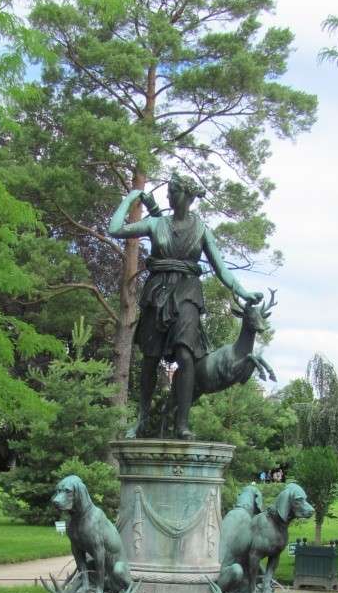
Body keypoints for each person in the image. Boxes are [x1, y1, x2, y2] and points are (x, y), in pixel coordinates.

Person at [109, 172, 262, 440]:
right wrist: (132, 197)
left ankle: (182, 424)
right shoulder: (157, 224)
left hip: (188, 292)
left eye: (173, 192)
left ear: (187, 196)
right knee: (150, 358)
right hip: (157, 292)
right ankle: (143, 419)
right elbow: (115, 229)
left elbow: (222, 270)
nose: (168, 196)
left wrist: (243, 291)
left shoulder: (201, 229)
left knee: (186, 354)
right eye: (167, 192)